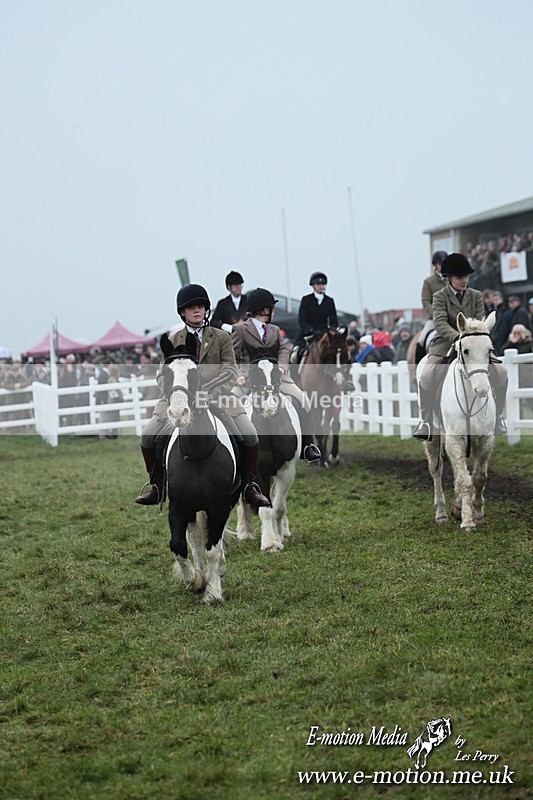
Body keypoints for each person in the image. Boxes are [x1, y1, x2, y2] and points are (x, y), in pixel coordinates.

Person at [135, 283, 270, 509]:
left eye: (200, 306)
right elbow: (161, 375)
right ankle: (157, 485)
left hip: (218, 398)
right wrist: (176, 393)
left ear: (206, 309)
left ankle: (249, 485)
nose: (197, 310)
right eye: (191, 307)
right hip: (178, 399)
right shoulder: (173, 339)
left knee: (249, 435)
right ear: (182, 312)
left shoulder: (221, 337)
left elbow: (230, 371)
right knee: (148, 436)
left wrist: (209, 393)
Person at [413, 253, 508, 440]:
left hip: (473, 345)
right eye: (459, 277)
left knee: (502, 372)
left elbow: (480, 321)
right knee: (426, 376)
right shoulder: (439, 297)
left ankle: (497, 417)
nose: (464, 280)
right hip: (445, 343)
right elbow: (440, 323)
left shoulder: (476, 296)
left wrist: (470, 339)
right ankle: (426, 422)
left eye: (466, 277)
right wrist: (458, 338)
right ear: (448, 278)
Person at [231, 288, 320, 462]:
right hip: (248, 379)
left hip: (275, 377)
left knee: (304, 400)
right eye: (271, 308)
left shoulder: (274, 329)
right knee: (228, 405)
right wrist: (238, 374)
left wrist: (281, 367)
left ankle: (307, 446)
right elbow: (231, 355)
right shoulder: (240, 329)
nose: (273, 311)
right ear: (264, 310)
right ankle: (235, 449)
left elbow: (284, 350)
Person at [417, 250, 448, 358]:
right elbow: (426, 301)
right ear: (435, 265)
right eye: (441, 264)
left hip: (454, 317)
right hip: (435, 319)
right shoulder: (428, 282)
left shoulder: (454, 279)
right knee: (421, 340)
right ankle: (417, 366)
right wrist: (436, 315)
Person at [295, 272, 338, 348]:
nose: (321, 286)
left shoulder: (330, 301)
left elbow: (334, 320)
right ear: (313, 285)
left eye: (323, 284)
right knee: (295, 352)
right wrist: (311, 330)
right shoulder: (306, 299)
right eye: (318, 284)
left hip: (324, 334)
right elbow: (302, 320)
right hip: (308, 335)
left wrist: (331, 330)